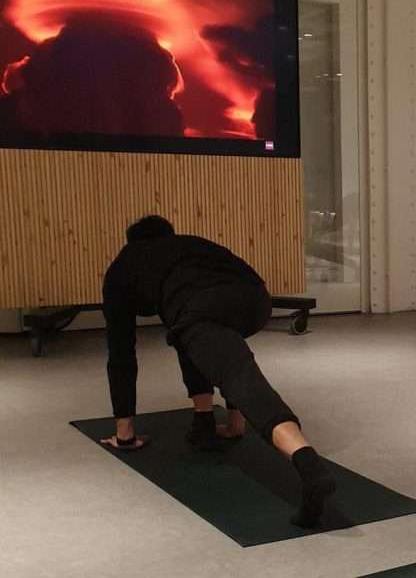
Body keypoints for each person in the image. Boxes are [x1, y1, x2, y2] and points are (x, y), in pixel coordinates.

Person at [101, 215, 335, 528]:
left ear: (132, 241)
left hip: (201, 305)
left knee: (237, 372)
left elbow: (121, 355)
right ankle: (210, 421)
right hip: (255, 298)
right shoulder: (190, 244)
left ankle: (307, 462)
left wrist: (125, 435)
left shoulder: (123, 266)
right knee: (207, 344)